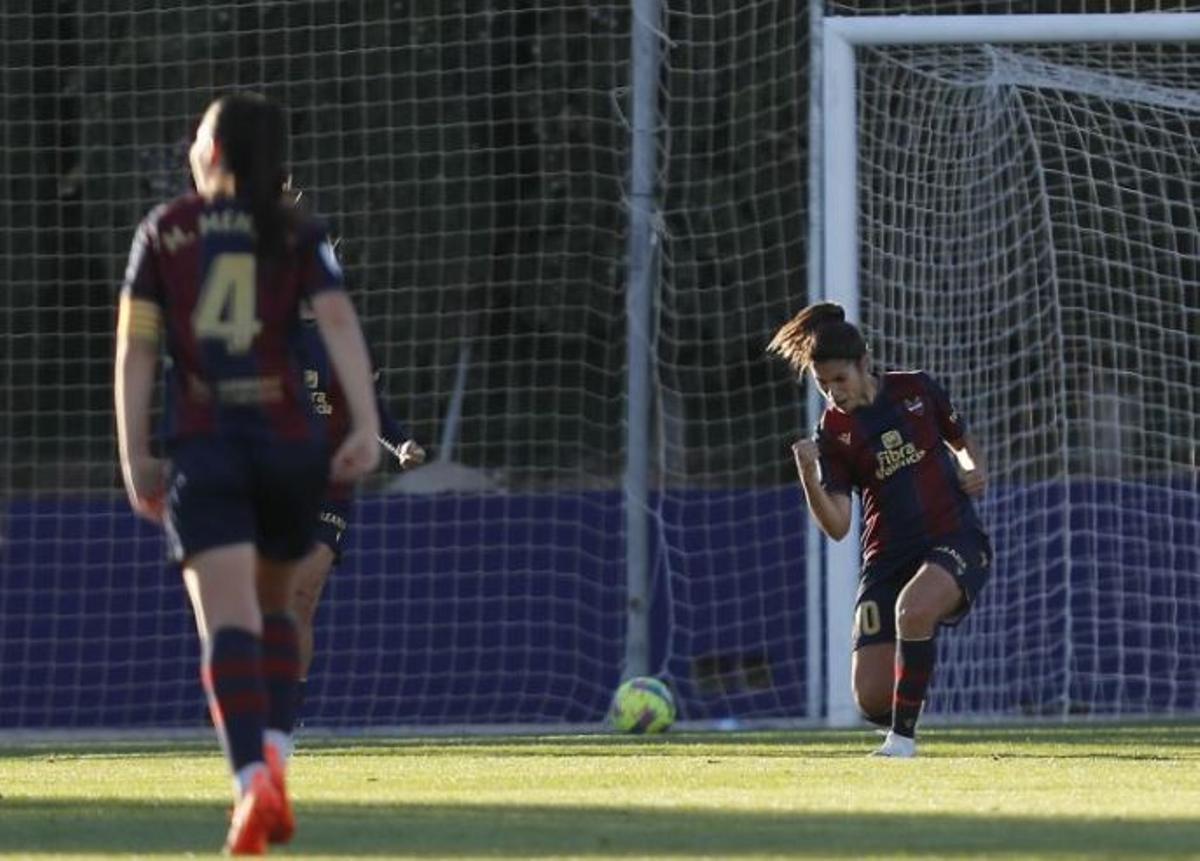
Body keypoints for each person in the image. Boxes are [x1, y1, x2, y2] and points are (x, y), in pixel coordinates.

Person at [114, 92, 380, 854]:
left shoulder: (165, 230)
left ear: (215, 151)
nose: (191, 146)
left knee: (227, 623)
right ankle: (278, 763)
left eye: (198, 135)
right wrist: (365, 424)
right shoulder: (296, 230)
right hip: (292, 449)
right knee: (276, 613)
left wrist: (135, 453)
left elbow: (136, 349)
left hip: (209, 446)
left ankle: (251, 782)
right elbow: (339, 321)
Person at [768, 302, 990, 758]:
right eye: (823, 384)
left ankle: (901, 743)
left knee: (913, 610)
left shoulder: (916, 389)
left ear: (864, 363)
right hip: (888, 557)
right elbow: (837, 526)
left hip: (954, 537)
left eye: (840, 379)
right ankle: (909, 686)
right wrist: (808, 476)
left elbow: (961, 443)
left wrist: (973, 468)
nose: (833, 392)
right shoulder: (832, 433)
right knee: (871, 697)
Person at [288, 307, 426, 735]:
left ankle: (287, 712)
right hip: (273, 482)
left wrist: (399, 443)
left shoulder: (347, 338)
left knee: (303, 595)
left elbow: (370, 408)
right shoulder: (265, 333)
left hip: (330, 486)